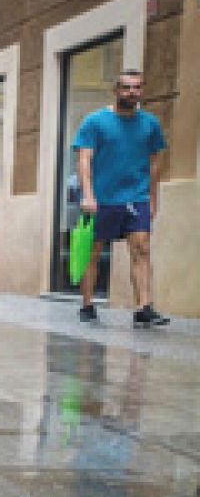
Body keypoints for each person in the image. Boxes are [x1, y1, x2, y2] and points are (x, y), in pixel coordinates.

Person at [73, 68, 169, 327]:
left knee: (142, 248)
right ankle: (87, 304)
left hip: (136, 197)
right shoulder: (94, 121)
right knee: (93, 252)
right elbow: (84, 159)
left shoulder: (150, 124)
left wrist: (152, 199)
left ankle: (143, 307)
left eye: (137, 87)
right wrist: (88, 195)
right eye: (126, 87)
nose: (131, 92)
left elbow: (154, 165)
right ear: (116, 90)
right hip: (101, 198)